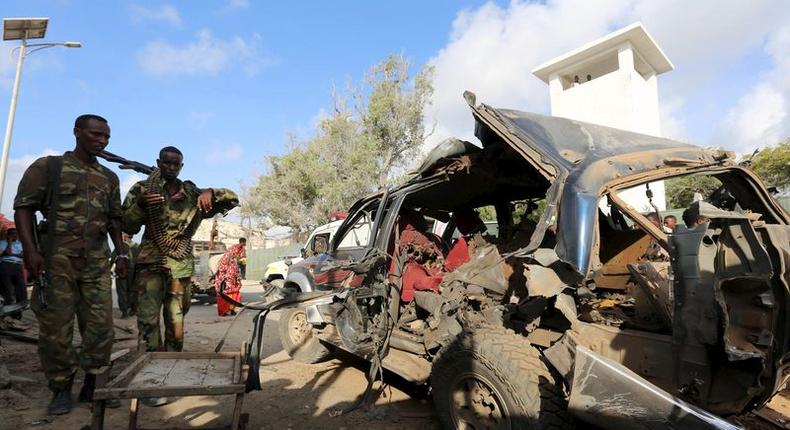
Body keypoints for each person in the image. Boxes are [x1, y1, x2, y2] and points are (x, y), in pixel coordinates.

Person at [13, 114, 128, 415]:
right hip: (56, 261)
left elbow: (114, 219)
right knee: (56, 330)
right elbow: (24, 209)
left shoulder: (109, 177)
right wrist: (30, 250)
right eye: (96, 135)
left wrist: (123, 252)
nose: (102, 141)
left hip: (95, 263)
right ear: (77, 133)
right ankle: (60, 388)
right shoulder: (48, 167)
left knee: (101, 329)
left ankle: (92, 385)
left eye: (106, 137)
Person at [122, 147, 237, 345]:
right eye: (167, 163)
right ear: (158, 163)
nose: (172, 167)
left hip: (180, 263)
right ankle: (150, 358)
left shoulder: (192, 194)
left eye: (176, 164)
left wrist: (210, 192)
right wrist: (140, 206)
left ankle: (172, 357)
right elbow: (126, 225)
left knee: (176, 317)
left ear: (181, 166)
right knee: (147, 317)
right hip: (151, 262)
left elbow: (233, 199)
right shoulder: (143, 189)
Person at [110, 233, 139, 318]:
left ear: (126, 236)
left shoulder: (120, 246)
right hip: (133, 272)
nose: (122, 236)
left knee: (122, 291)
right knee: (132, 291)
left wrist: (108, 269)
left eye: (123, 235)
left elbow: (112, 258)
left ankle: (124, 311)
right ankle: (132, 309)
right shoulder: (137, 247)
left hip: (122, 271)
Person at [0, 228, 26, 319]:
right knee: (8, 291)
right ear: (8, 235)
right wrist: (10, 242)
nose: (15, 235)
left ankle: (17, 313)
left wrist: (11, 254)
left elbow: (22, 255)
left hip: (17, 267)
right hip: (6, 266)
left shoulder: (20, 243)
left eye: (16, 234)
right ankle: (6, 315)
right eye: (13, 234)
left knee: (21, 290)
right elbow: (8, 252)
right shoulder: (3, 243)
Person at [215, 242, 247, 316]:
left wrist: (237, 279)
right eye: (238, 253)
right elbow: (222, 271)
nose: (239, 255)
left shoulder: (233, 259)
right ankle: (223, 311)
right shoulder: (225, 259)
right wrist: (229, 279)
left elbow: (235, 271)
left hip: (232, 282)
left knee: (235, 296)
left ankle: (232, 310)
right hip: (225, 283)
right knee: (225, 297)